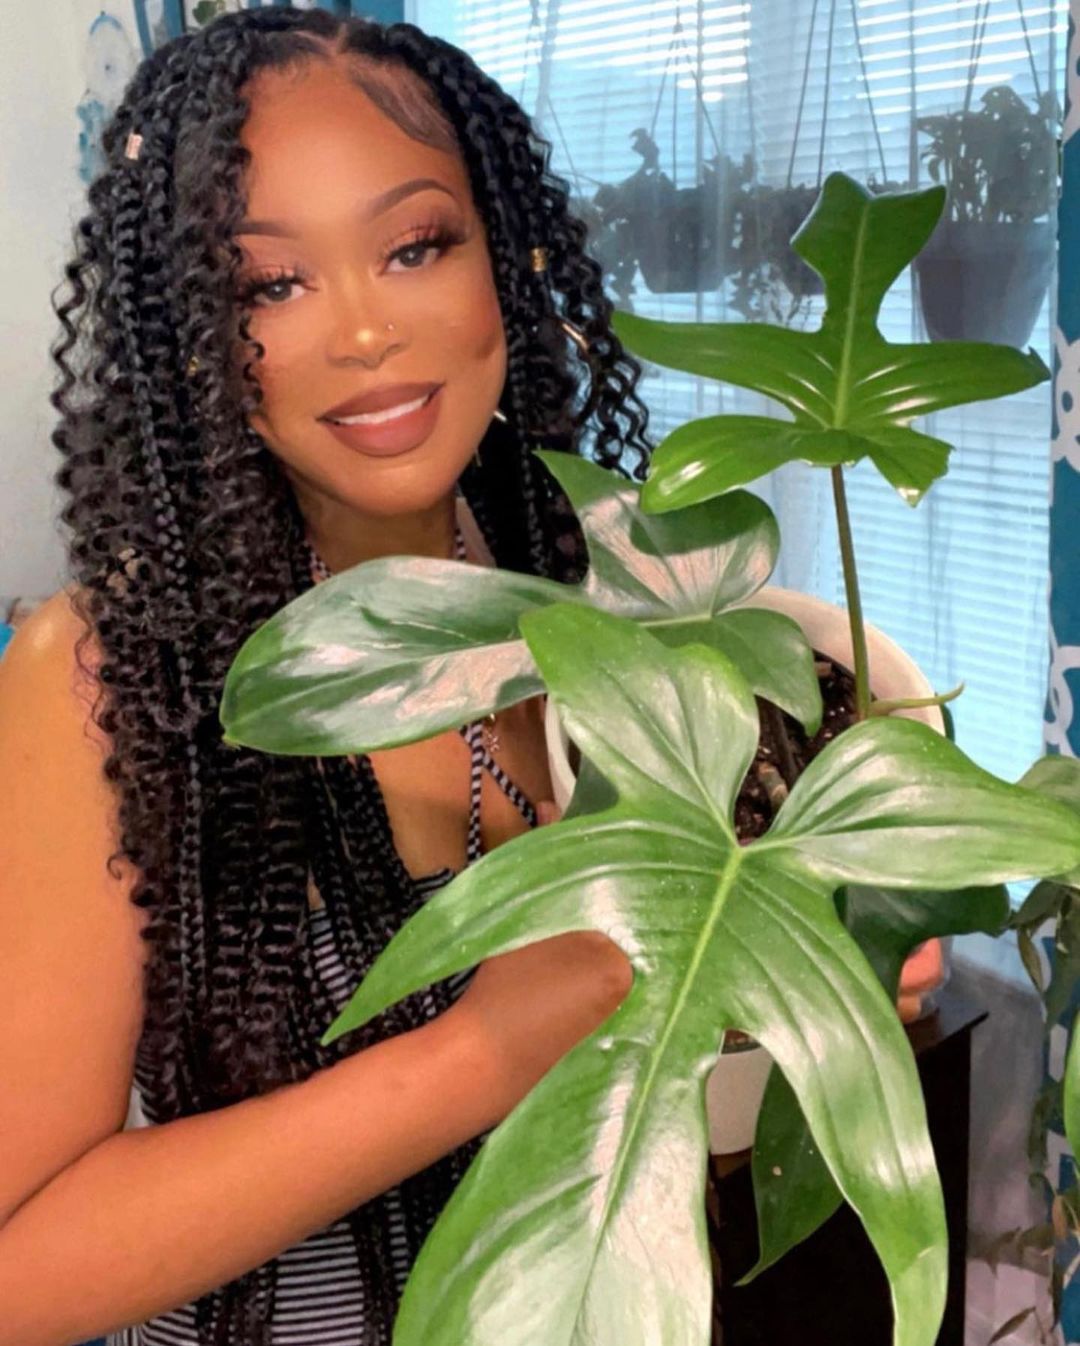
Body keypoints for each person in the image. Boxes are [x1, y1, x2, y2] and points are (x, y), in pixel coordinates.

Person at [0, 9, 645, 1343]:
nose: (364, 332)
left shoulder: (600, 594)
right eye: (270, 286)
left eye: (416, 246)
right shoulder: (109, 677)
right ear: (191, 333)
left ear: (503, 255)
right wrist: (476, 1054)